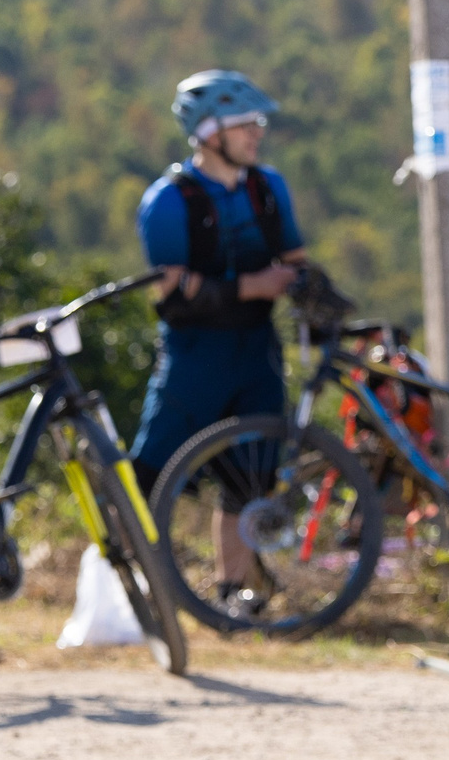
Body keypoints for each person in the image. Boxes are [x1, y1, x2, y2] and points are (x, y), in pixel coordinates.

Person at [128, 69, 311, 615]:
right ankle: (138, 585)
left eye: (258, 124)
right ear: (208, 132)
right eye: (244, 125)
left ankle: (235, 592)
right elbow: (171, 291)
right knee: (151, 472)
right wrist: (251, 286)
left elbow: (295, 261)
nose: (257, 134)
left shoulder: (267, 187)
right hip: (194, 352)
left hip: (256, 349)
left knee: (250, 476)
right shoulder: (168, 201)